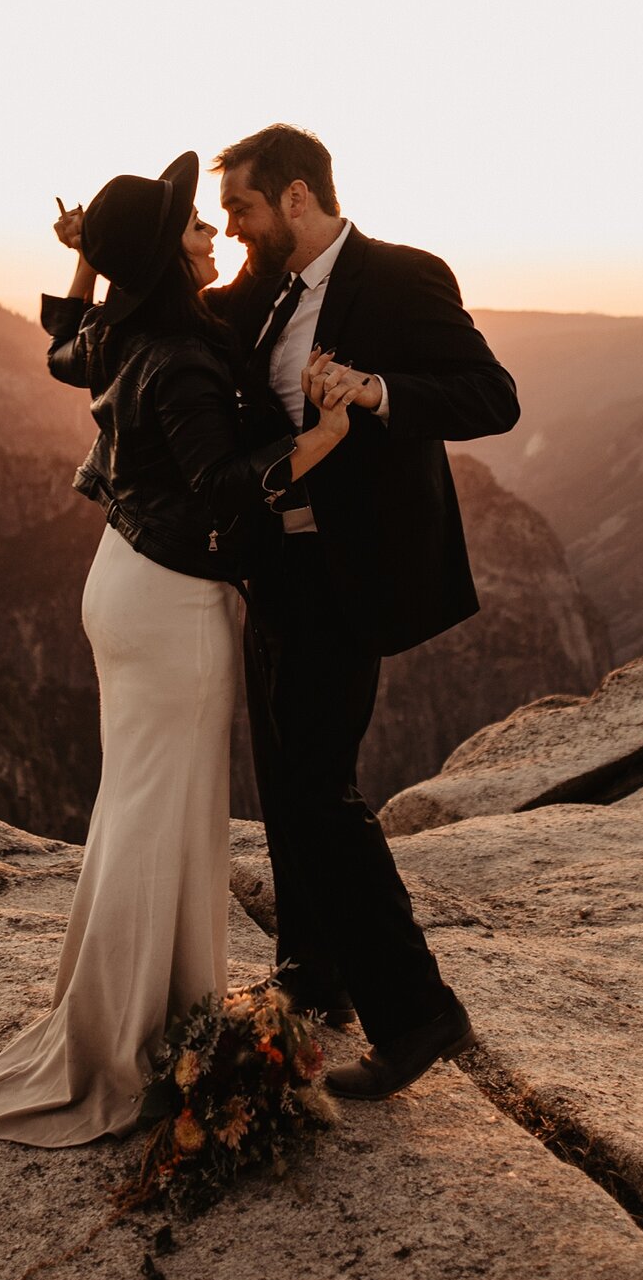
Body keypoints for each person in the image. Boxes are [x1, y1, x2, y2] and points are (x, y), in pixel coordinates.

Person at [0, 150, 362, 1146]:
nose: (211, 234)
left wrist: (88, 259)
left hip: (124, 580)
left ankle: (136, 1012)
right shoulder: (176, 354)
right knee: (160, 812)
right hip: (171, 601)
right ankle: (132, 1034)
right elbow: (224, 488)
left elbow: (59, 349)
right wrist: (320, 439)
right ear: (166, 260)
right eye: (190, 226)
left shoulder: (130, 328)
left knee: (141, 805)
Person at [206, 122, 519, 1101]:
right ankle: (313, 971)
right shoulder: (255, 294)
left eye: (244, 209)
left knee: (316, 787)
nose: (234, 229)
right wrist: (95, 264)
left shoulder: (404, 276)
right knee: (282, 772)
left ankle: (417, 1008)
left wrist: (377, 392)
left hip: (353, 575)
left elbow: (491, 397)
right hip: (275, 570)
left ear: (297, 197)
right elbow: (164, 325)